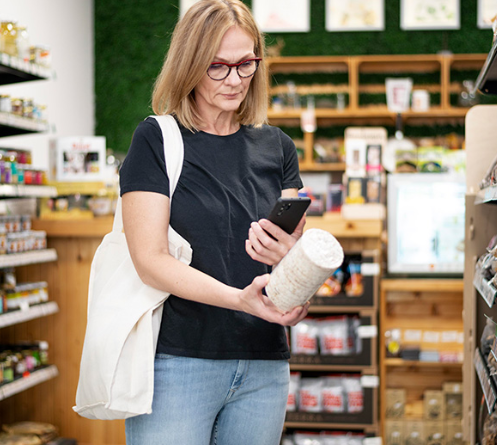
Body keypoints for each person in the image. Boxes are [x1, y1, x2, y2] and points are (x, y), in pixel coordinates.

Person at [118, 1, 310, 444]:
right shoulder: (157, 140)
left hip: (264, 364)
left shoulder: (277, 147)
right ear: (189, 64)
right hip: (179, 364)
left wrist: (296, 280)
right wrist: (240, 300)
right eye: (218, 66)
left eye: (246, 64)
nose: (235, 79)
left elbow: (286, 260)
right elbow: (150, 260)